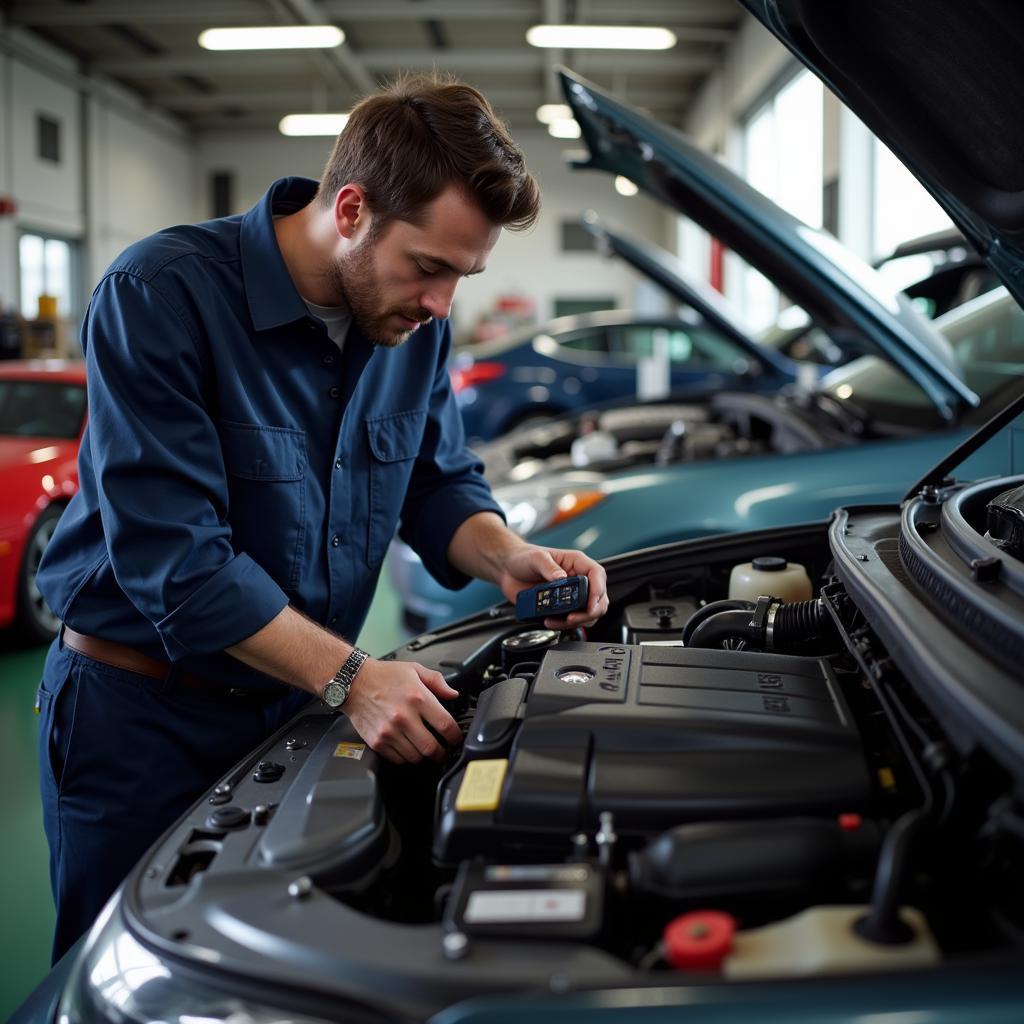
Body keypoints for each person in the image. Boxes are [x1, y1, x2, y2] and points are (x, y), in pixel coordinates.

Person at [34, 73, 609, 962]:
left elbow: (434, 483)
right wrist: (352, 677)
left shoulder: (412, 326)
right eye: (428, 267)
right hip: (143, 718)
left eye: (463, 275)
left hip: (292, 706)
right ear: (350, 211)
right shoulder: (161, 294)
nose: (440, 304)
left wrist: (508, 557)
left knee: (263, 978)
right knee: (121, 975)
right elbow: (176, 562)